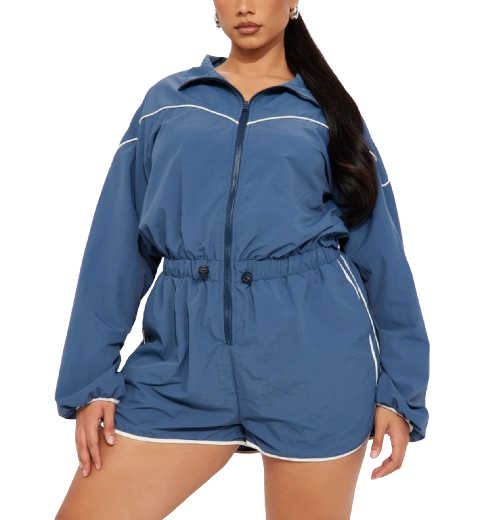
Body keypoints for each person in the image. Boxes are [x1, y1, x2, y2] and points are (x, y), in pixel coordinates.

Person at [54, 2, 430, 518]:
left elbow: (382, 256)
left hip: (313, 369)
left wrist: (399, 393)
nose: (245, 6)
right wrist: (90, 379)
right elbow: (116, 244)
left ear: (292, 3)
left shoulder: (328, 112)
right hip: (181, 369)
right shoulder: (169, 102)